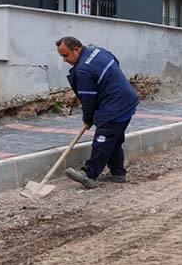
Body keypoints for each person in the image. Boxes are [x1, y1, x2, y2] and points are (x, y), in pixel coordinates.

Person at [55, 37, 139, 189]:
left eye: (66, 55)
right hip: (128, 100)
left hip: (115, 106)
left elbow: (88, 100)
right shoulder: (97, 51)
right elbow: (116, 63)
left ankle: (90, 174)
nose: (64, 60)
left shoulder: (82, 70)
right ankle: (118, 173)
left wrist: (88, 119)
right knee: (114, 141)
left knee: (102, 139)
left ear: (77, 49)